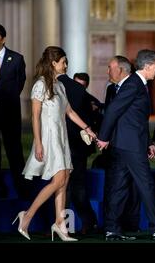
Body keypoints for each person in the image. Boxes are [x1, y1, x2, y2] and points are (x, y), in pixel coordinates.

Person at [97, 50, 155, 241]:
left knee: (118, 187)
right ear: (147, 66)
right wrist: (103, 137)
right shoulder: (134, 84)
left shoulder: (136, 84)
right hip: (130, 147)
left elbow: (135, 119)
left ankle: (112, 230)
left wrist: (149, 142)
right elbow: (113, 109)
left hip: (126, 145)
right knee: (146, 185)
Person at [13, 46, 96, 241]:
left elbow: (70, 112)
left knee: (65, 178)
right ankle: (27, 216)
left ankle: (60, 224)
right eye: (63, 62)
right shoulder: (40, 85)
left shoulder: (59, 85)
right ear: (53, 63)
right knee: (58, 180)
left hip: (62, 136)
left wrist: (87, 129)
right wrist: (39, 143)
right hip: (48, 138)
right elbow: (34, 117)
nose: (66, 65)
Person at [98, 55, 141, 234]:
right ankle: (112, 228)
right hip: (115, 146)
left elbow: (139, 119)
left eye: (110, 67)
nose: (107, 71)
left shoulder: (135, 86)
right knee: (115, 188)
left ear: (121, 70)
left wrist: (149, 142)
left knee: (132, 189)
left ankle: (130, 227)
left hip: (130, 145)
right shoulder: (111, 89)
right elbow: (109, 114)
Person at [58, 69, 98, 235]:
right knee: (66, 188)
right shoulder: (71, 93)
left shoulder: (86, 99)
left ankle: (88, 222)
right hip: (67, 145)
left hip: (75, 147)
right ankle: (67, 225)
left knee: (75, 188)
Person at [0, 22, 27, 199]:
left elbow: (19, 85)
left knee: (14, 152)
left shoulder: (16, 59)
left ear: (3, 39)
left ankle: (21, 188)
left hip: (9, 114)